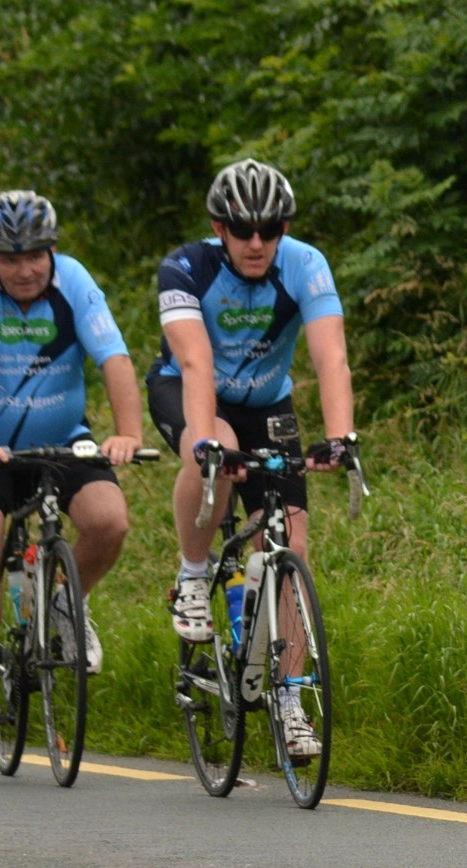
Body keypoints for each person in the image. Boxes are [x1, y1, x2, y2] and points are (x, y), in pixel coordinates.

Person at [146, 158, 357, 757]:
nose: (257, 242)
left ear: (284, 228)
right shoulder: (186, 268)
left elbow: (331, 357)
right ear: (220, 228)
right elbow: (195, 362)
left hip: (267, 404)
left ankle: (290, 698)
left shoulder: (305, 264)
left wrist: (340, 437)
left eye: (270, 229)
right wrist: (207, 443)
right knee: (208, 449)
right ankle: (193, 574)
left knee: (290, 543)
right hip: (188, 389)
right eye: (243, 230)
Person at [0, 190, 143, 721]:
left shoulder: (73, 281)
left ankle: (64, 603)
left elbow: (114, 358)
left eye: (34, 256)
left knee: (109, 521)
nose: (24, 270)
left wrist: (127, 433)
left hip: (64, 439)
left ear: (51, 250)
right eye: (9, 259)